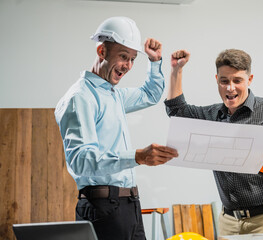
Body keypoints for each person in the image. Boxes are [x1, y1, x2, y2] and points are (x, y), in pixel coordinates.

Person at [164, 49, 263, 235]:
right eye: (224, 81)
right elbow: (176, 111)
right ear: (217, 79)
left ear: (250, 79)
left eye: (237, 80)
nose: (230, 87)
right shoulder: (212, 116)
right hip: (229, 222)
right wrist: (177, 70)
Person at [54, 16, 178, 240]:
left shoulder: (113, 95)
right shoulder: (80, 97)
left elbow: (150, 95)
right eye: (123, 57)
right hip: (103, 208)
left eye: (132, 59)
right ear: (101, 51)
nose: (128, 66)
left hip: (128, 205)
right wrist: (137, 156)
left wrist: (155, 61)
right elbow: (80, 160)